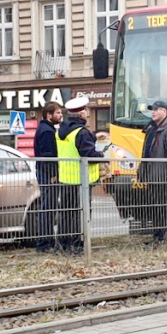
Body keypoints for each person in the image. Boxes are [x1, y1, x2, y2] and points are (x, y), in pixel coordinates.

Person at [56, 96, 103, 253]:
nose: (87, 113)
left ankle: (63, 244)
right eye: (86, 110)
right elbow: (88, 155)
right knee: (80, 214)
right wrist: (102, 156)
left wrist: (94, 138)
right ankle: (77, 245)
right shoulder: (81, 133)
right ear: (82, 113)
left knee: (65, 213)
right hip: (81, 180)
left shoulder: (61, 131)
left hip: (65, 179)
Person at [137, 100, 167, 242]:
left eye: (157, 109)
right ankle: (160, 236)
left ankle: (163, 236)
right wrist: (141, 172)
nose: (153, 112)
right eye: (152, 109)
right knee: (155, 207)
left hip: (163, 175)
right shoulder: (151, 129)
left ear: (165, 112)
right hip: (151, 175)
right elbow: (146, 152)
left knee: (162, 207)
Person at [34, 101, 64, 253]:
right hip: (47, 174)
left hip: (45, 172)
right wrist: (53, 174)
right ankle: (44, 244)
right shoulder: (46, 131)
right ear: (49, 115)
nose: (61, 115)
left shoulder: (46, 128)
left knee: (49, 208)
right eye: (58, 113)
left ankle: (47, 242)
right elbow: (47, 155)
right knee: (48, 208)